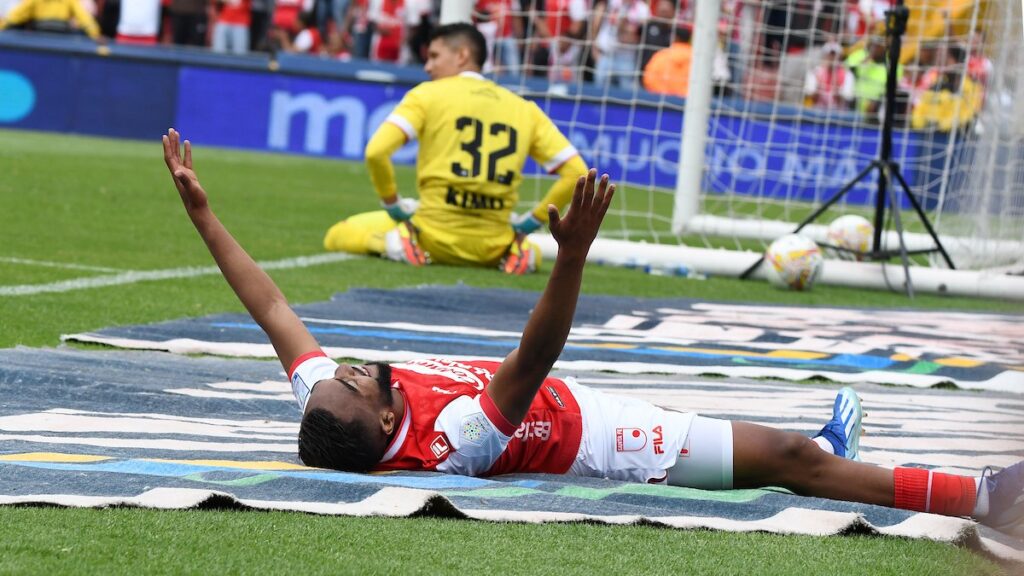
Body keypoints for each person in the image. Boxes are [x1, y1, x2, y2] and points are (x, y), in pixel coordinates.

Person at [163, 127, 1023, 538]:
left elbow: (272, 310)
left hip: (573, 408)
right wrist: (572, 254)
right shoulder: (450, 443)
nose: (346, 370)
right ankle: (983, 493)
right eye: (355, 383)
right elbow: (535, 356)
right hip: (604, 440)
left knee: (793, 449)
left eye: (339, 376)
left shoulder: (332, 411)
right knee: (795, 461)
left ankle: (839, 451)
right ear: (390, 427)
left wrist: (203, 216)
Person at [323, 23, 588, 275]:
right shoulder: (524, 108)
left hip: (430, 238)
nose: (428, 67)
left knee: (338, 234)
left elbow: (376, 152)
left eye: (434, 56)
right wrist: (531, 222)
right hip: (493, 248)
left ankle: (395, 243)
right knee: (533, 250)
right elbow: (577, 172)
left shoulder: (427, 95)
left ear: (462, 55)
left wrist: (393, 205)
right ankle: (521, 251)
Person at [0, 0, 104, 40]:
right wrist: (95, 34)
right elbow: (16, 16)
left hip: (59, 40)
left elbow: (84, 17)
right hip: (39, 39)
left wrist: (95, 34)